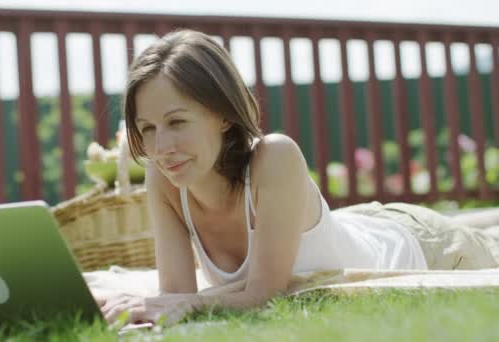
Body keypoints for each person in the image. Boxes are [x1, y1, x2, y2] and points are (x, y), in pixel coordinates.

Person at [95, 29, 499, 326]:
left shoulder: (275, 156)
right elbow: (176, 298)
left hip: (422, 243)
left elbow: (262, 295)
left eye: (177, 121)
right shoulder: (163, 180)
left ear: (223, 116)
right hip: (353, 225)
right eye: (147, 128)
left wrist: (184, 304)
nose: (161, 146)